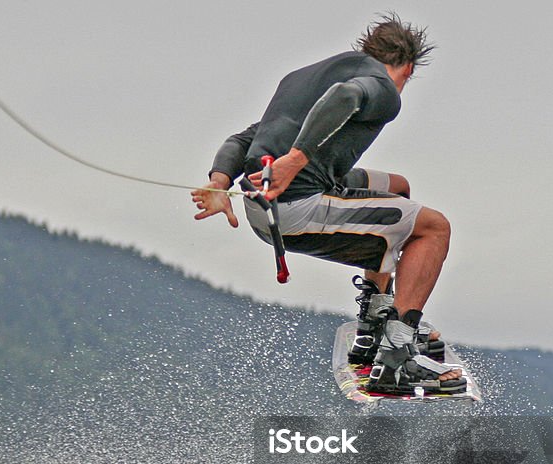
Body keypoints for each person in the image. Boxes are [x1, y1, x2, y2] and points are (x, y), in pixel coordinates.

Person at [191, 12, 465, 395]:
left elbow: (246, 138)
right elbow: (346, 98)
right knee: (434, 228)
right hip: (297, 206)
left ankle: (376, 321)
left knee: (398, 189)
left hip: (263, 202)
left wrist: (219, 181)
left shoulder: (303, 77)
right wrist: (296, 159)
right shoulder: (382, 87)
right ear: (408, 67)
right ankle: (397, 356)